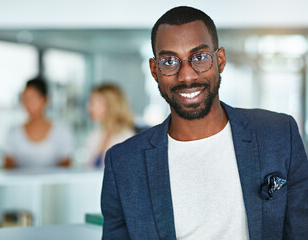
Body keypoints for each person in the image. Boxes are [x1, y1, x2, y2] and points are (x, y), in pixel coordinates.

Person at [101, 6, 308, 240]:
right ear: (154, 70)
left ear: (220, 60)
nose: (186, 76)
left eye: (199, 58)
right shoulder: (124, 163)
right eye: (169, 61)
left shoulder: (278, 134)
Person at [4, 77, 74, 169]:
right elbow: (8, 169)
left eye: (32, 98)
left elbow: (66, 169)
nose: (28, 104)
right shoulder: (13, 132)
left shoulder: (62, 132)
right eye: (25, 99)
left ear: (45, 100)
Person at [86, 83, 135, 168]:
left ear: (109, 105)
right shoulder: (96, 134)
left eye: (92, 102)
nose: (88, 106)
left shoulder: (126, 137)